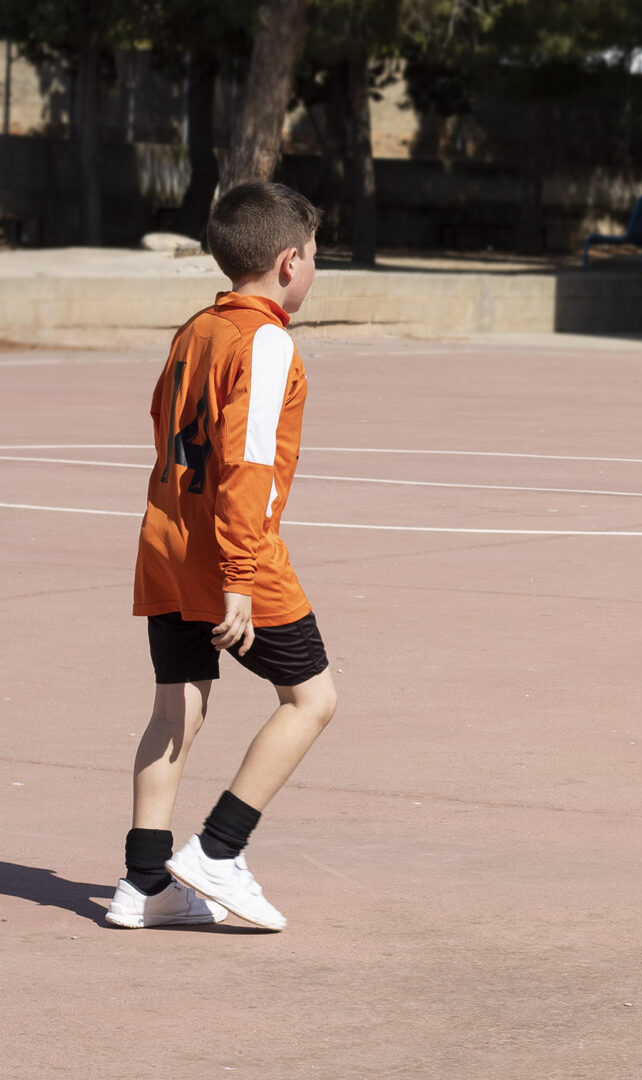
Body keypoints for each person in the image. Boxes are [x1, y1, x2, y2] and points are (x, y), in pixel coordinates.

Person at [107, 182, 337, 931]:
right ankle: (217, 851)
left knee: (177, 705)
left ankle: (144, 884)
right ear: (288, 261)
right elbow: (248, 464)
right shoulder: (266, 341)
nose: (314, 269)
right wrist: (239, 576)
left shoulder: (196, 328)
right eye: (314, 257)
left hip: (167, 543)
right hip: (234, 555)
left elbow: (160, 423)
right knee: (311, 699)